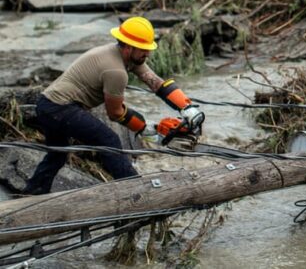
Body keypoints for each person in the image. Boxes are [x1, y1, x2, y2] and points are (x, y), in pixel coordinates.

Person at [22, 16, 205, 195]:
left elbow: (154, 81)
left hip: (47, 105)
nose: (147, 54)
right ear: (128, 47)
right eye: (143, 49)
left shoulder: (125, 55)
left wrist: (186, 107)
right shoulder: (116, 71)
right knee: (109, 141)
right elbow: (115, 113)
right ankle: (136, 193)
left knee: (57, 154)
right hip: (60, 108)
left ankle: (32, 193)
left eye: (148, 49)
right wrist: (145, 128)